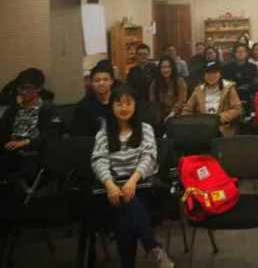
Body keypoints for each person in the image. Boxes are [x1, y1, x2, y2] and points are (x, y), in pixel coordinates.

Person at [91, 86, 174, 268]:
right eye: (119, 104)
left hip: (143, 185)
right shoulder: (103, 133)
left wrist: (132, 181)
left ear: (135, 105)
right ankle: (153, 247)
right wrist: (110, 185)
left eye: (128, 103)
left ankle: (128, 263)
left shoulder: (145, 129)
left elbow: (148, 158)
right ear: (112, 106)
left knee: (125, 209)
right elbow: (99, 161)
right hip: (112, 188)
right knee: (124, 204)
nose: (124, 108)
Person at [0, 68, 60, 175]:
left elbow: (51, 137)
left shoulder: (48, 110)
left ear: (39, 88)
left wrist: (26, 142)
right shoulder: (13, 110)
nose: (23, 92)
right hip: (11, 154)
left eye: (28, 88)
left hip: (34, 155)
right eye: (21, 88)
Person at [182, 61, 243, 136]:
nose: (211, 76)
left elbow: (237, 108)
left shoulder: (229, 87)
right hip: (201, 127)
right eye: (208, 73)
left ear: (220, 74)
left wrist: (219, 118)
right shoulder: (199, 89)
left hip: (222, 128)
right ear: (204, 75)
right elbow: (187, 109)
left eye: (215, 72)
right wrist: (194, 122)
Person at [72, 61, 117, 137]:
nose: (101, 83)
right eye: (97, 80)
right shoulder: (83, 106)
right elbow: (77, 135)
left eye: (105, 79)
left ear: (112, 81)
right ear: (91, 83)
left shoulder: (119, 102)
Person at [148, 55, 187, 126]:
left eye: (169, 67)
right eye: (163, 67)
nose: (166, 70)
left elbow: (181, 101)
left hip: (176, 116)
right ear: (159, 69)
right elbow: (152, 102)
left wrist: (172, 113)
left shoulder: (180, 81)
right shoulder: (154, 83)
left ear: (173, 68)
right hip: (159, 116)